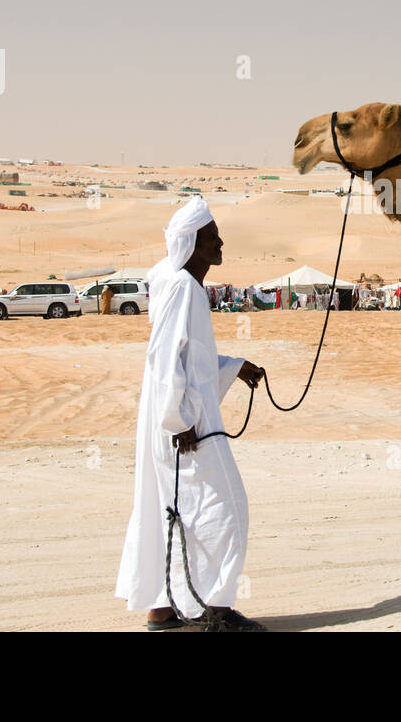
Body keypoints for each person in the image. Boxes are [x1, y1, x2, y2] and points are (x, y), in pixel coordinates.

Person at [115, 197, 267, 632]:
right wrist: (178, 419)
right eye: (211, 235)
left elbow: (190, 357)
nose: (220, 241)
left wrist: (235, 367)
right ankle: (215, 609)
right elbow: (165, 359)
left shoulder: (179, 282)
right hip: (185, 424)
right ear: (193, 243)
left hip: (176, 416)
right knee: (227, 509)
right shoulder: (182, 286)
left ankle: (160, 608)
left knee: (169, 507)